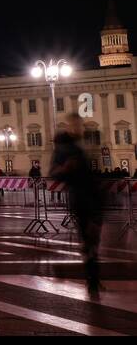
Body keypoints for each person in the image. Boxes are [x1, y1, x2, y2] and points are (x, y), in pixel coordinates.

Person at [49, 116, 102, 296]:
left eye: (79, 124)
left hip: (94, 197)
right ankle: (92, 278)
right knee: (89, 238)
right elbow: (53, 173)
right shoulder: (63, 148)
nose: (78, 127)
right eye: (74, 124)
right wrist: (65, 169)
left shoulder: (85, 144)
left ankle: (93, 275)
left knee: (93, 239)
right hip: (79, 198)